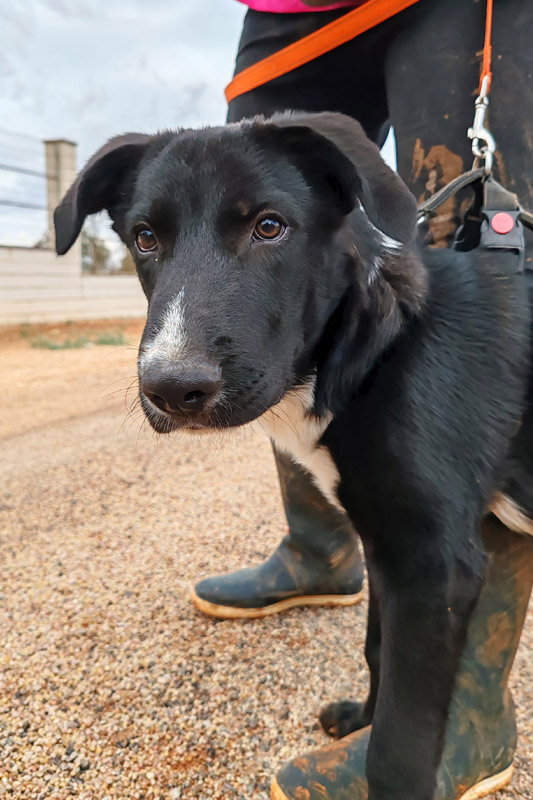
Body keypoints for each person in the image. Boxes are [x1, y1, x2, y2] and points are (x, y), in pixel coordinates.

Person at [193, 1, 533, 798]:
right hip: (288, 14)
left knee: (465, 246)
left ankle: (461, 718)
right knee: (257, 250)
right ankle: (324, 555)